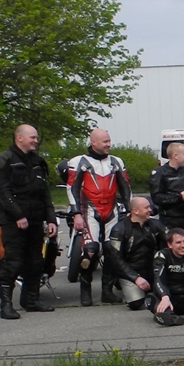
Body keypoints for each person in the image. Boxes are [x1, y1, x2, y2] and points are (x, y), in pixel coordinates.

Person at [0, 124, 57, 319]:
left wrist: (51, 218)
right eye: (32, 137)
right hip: (13, 222)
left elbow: (44, 193)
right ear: (19, 138)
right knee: (13, 262)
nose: (36, 141)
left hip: (35, 220)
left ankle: (31, 300)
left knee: (36, 262)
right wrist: (18, 216)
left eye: (36, 137)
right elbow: (1, 192)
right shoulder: (3, 161)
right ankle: (6, 305)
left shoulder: (37, 162)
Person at [64, 127, 131, 306]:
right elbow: (72, 188)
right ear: (93, 142)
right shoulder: (78, 161)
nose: (108, 144)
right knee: (90, 250)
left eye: (109, 141)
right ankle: (85, 290)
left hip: (111, 209)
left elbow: (125, 187)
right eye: (105, 141)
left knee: (112, 250)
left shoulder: (116, 161)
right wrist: (76, 213)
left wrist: (129, 209)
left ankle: (107, 291)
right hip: (89, 210)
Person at [107, 196, 162, 310]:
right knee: (136, 303)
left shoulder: (156, 225)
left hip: (152, 270)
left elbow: (170, 242)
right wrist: (135, 277)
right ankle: (121, 284)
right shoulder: (119, 229)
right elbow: (116, 259)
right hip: (131, 272)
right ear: (135, 211)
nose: (150, 210)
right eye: (146, 207)